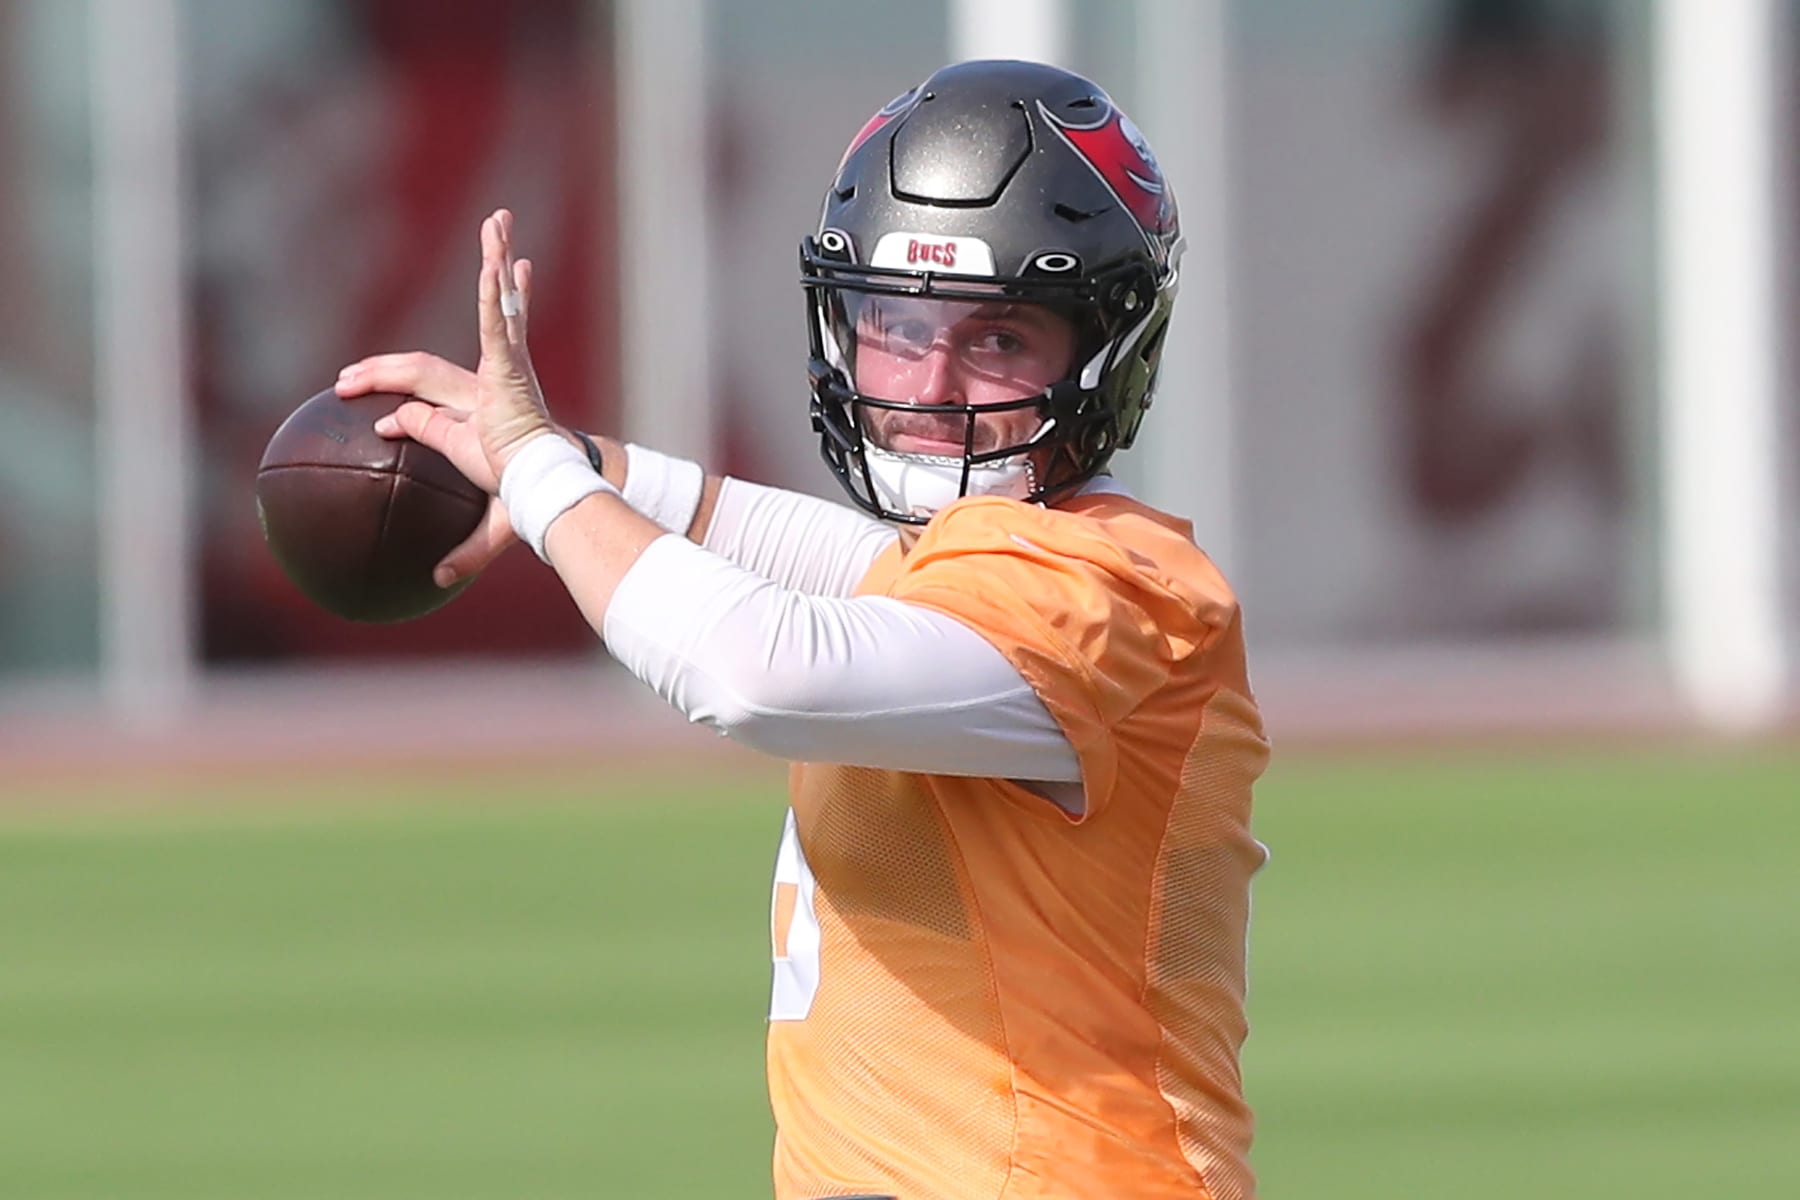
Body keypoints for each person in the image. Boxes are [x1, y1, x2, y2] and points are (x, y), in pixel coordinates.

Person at [336, 58, 1269, 1200]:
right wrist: (572, 465)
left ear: (1104, 349)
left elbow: (760, 672)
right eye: (894, 322)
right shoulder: (967, 565)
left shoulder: (1120, 589)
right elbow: (827, 558)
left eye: (1001, 339)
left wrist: (540, 475)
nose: (929, 383)